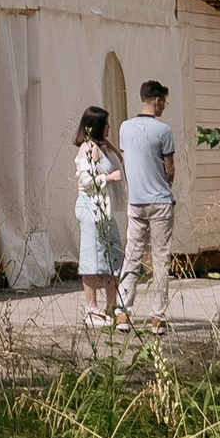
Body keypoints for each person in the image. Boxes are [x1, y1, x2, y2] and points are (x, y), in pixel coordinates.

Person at [117, 80, 177, 326]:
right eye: (163, 101)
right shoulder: (164, 131)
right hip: (160, 200)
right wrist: (165, 182)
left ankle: (123, 310)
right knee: (161, 258)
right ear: (156, 100)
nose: (163, 106)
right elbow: (170, 169)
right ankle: (157, 315)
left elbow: (126, 158)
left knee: (132, 254)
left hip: (136, 199)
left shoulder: (124, 128)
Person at [72, 104, 123, 328]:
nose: (109, 127)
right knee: (92, 256)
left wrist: (109, 145)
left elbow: (120, 157)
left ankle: (112, 307)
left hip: (104, 208)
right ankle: (91, 308)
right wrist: (110, 178)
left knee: (113, 255)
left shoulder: (102, 147)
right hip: (91, 208)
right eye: (106, 124)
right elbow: (85, 181)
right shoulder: (87, 148)